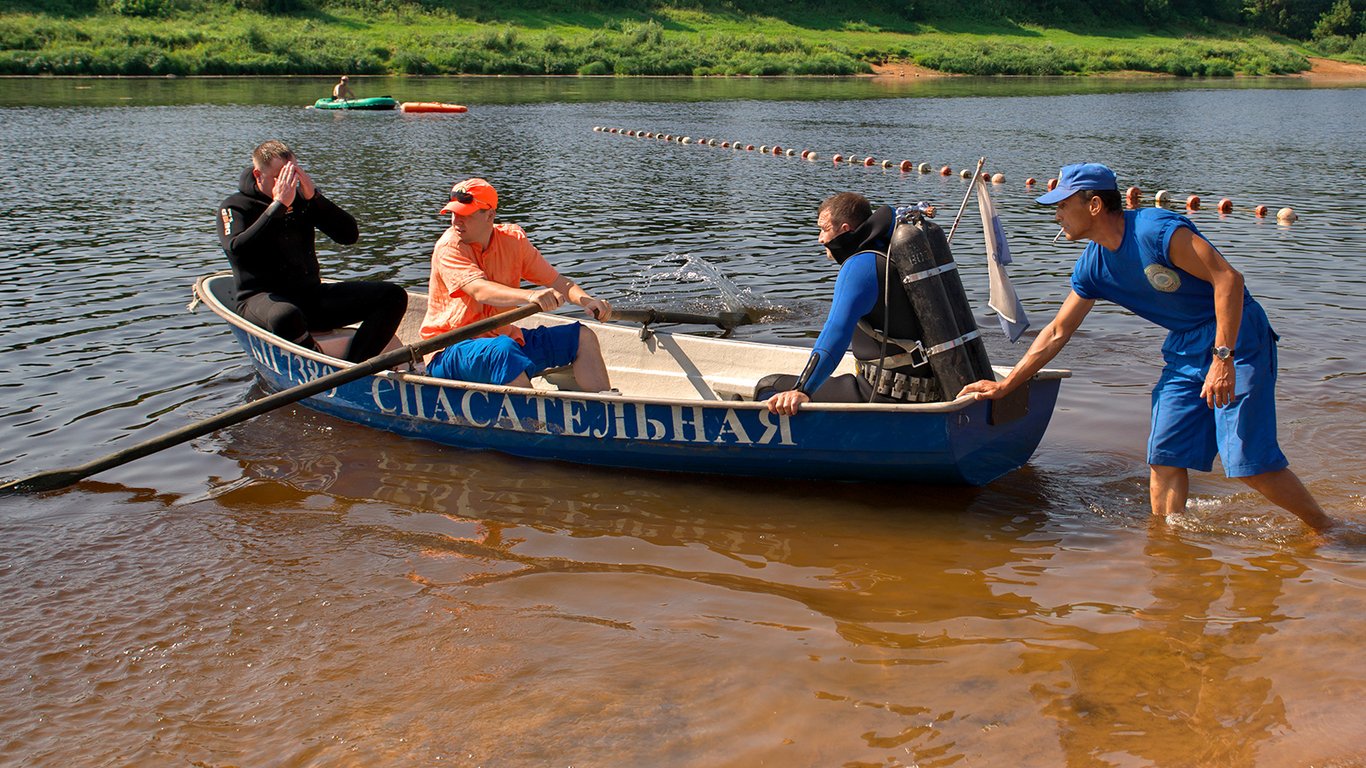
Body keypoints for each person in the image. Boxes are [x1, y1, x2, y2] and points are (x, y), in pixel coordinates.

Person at [959, 163, 1333, 532]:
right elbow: (1057, 331)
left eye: (1063, 205)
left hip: (1237, 336)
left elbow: (1228, 280)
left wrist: (1223, 358)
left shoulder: (1156, 231)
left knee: (1249, 463)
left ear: (1094, 205)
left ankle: (1327, 530)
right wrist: (1008, 385)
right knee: (1165, 455)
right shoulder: (1093, 266)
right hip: (1185, 345)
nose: (1057, 215)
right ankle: (1169, 547)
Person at [217, 139, 407, 363]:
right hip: (261, 299)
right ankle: (315, 362)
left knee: (393, 296)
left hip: (309, 296)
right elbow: (237, 250)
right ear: (259, 175)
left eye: (293, 176)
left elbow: (348, 236)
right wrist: (277, 207)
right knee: (285, 315)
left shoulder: (301, 200)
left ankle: (355, 367)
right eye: (280, 177)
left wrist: (315, 198)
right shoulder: (235, 206)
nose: (288, 184)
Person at [420, 177, 615, 391]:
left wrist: (587, 301)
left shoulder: (513, 240)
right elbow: (479, 290)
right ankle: (535, 412)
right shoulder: (449, 247)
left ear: (490, 215)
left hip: (503, 339)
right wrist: (530, 296)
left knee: (582, 337)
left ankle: (608, 407)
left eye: (465, 215)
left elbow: (558, 282)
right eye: (453, 213)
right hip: (449, 349)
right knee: (503, 352)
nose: (456, 221)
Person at [764, 192, 939, 416]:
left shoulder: (860, 266)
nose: (820, 239)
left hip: (880, 396)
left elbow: (835, 332)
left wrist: (802, 389)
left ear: (844, 229)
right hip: (928, 391)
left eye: (824, 229)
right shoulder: (893, 253)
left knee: (768, 386)